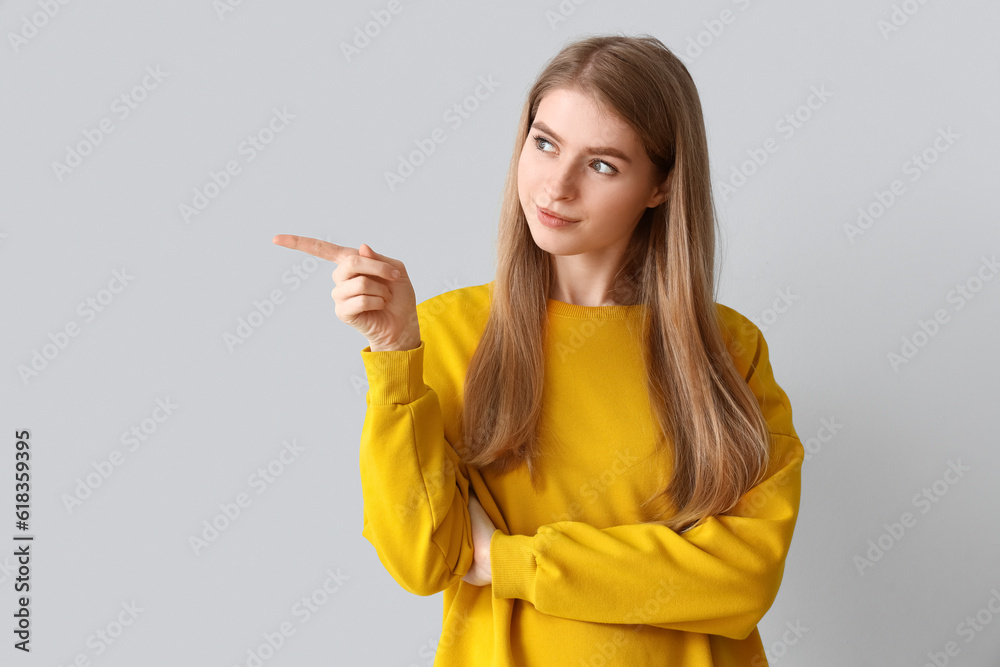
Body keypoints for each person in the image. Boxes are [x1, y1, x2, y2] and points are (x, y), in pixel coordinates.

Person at [273, 33, 804, 667]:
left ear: (661, 186)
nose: (556, 186)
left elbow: (742, 580)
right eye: (544, 143)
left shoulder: (729, 350)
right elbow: (420, 559)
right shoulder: (446, 333)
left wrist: (507, 558)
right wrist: (393, 355)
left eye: (601, 164)